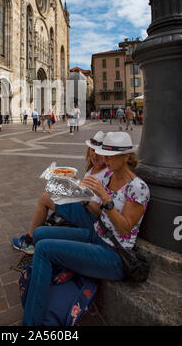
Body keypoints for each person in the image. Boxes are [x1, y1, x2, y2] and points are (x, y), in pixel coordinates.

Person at [21, 132, 150, 326]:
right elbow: (99, 214)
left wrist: (105, 198)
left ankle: (31, 324)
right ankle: (52, 285)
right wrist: (84, 196)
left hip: (114, 254)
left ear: (127, 157)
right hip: (95, 235)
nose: (105, 159)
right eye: (104, 153)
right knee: (39, 234)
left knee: (44, 250)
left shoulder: (138, 187)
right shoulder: (108, 177)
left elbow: (124, 229)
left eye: (110, 155)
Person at [12, 131, 107, 255]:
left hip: (90, 215)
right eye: (92, 150)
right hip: (83, 206)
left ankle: (29, 242)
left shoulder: (106, 174)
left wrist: (79, 193)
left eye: (98, 152)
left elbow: (98, 206)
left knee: (45, 198)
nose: (94, 155)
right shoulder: (94, 168)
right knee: (51, 191)